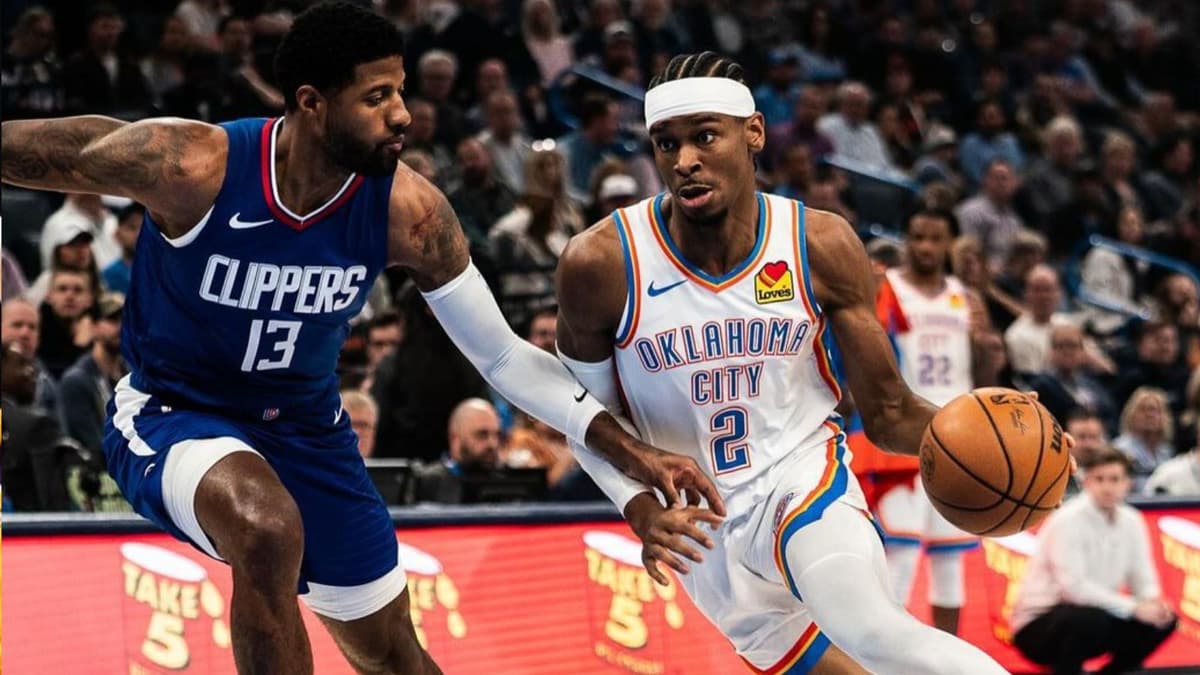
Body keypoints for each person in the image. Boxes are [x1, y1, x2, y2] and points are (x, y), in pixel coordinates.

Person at [1, 5, 719, 674]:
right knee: (265, 526)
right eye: (377, 97)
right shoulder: (193, 166)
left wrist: (634, 450)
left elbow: (501, 354)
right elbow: (54, 150)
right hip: (175, 412)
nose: (403, 113)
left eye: (401, 91)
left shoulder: (407, 212)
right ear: (311, 102)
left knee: (392, 653)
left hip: (308, 431)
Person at [555, 51, 1011, 674]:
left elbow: (888, 411)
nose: (684, 159)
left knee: (874, 630)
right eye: (666, 144)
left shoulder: (816, 241)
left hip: (803, 481)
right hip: (703, 536)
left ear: (755, 133)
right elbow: (580, 416)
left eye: (704, 136)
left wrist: (988, 438)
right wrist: (638, 506)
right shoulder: (601, 262)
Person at [857, 207, 982, 636]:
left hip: (961, 440)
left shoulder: (964, 296)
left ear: (950, 244)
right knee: (901, 557)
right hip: (906, 438)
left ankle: (946, 663)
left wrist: (989, 348)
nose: (926, 247)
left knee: (950, 564)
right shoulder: (885, 287)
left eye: (935, 238)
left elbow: (981, 369)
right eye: (918, 237)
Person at [1012, 450, 1176, 674]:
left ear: (1127, 483)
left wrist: (1152, 605)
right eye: (1100, 479)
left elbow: (1144, 579)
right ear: (1086, 481)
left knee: (1163, 620)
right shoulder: (1067, 520)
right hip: (1038, 625)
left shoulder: (1133, 521)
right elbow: (1074, 589)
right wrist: (1134, 607)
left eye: (1115, 479)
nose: (1107, 487)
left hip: (1096, 615)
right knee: (1090, 619)